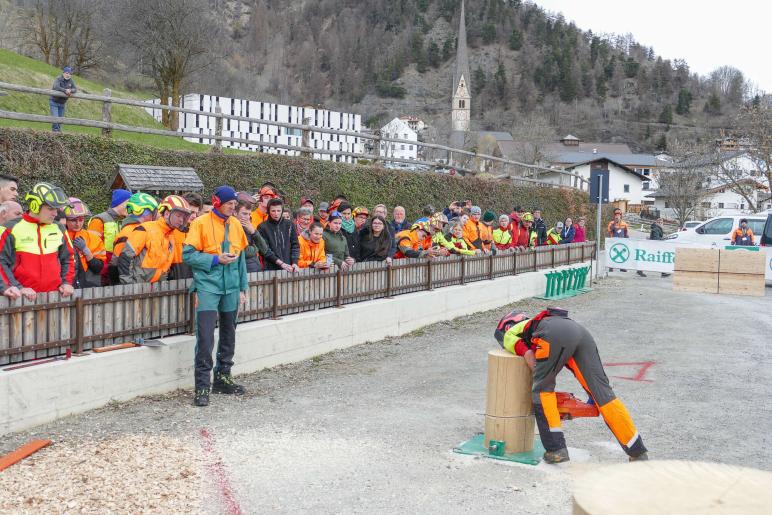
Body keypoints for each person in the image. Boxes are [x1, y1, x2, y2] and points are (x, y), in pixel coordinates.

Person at [495, 308, 648, 464]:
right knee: (603, 395)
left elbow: (529, 357)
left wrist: (541, 377)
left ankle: (556, 449)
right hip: (581, 333)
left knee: (542, 391)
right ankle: (637, 451)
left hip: (553, 333)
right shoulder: (546, 321)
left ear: (507, 326)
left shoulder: (513, 332)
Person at [183, 186, 248, 407]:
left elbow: (241, 260)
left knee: (229, 334)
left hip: (231, 288)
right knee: (205, 338)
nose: (233, 207)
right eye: (230, 203)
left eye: (234, 204)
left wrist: (242, 288)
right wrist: (215, 259)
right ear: (218, 202)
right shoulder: (200, 223)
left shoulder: (236, 224)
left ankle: (222, 378)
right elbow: (188, 255)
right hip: (208, 287)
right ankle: (202, 386)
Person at [0, 182, 75, 300]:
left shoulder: (59, 228)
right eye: (50, 208)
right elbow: (1, 261)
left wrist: (67, 282)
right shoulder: (9, 228)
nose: (55, 213)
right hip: (19, 299)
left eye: (56, 209)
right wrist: (16, 287)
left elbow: (69, 258)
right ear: (35, 206)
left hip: (55, 298)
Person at [118, 195, 192, 284]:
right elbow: (125, 256)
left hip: (156, 288)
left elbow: (164, 269)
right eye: (179, 215)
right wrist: (129, 284)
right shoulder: (145, 229)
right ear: (167, 214)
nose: (181, 220)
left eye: (183, 217)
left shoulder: (170, 237)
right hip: (137, 287)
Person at [109, 193, 158, 285]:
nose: (154, 216)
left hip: (140, 283)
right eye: (153, 212)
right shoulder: (129, 231)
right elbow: (119, 261)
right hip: (131, 285)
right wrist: (128, 285)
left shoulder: (140, 228)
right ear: (144, 212)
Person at [89, 188, 131, 285]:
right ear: (120, 203)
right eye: (128, 203)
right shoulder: (98, 220)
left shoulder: (125, 220)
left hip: (117, 269)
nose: (131, 207)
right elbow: (92, 248)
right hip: (102, 272)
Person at [64, 198, 106, 288]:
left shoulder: (93, 238)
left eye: (81, 220)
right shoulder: (59, 237)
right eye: (73, 220)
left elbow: (98, 268)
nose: (78, 224)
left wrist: (86, 251)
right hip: (66, 285)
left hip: (88, 285)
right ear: (65, 219)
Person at [258, 198, 300, 272]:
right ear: (268, 211)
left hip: (289, 267)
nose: (276, 213)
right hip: (270, 269)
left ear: (282, 211)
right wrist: (280, 263)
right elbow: (265, 250)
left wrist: (295, 262)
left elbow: (295, 245)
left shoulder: (290, 225)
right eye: (273, 211)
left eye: (278, 211)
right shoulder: (262, 227)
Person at [168, 192, 203, 281]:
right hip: (172, 282)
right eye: (191, 212)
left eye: (196, 213)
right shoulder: (170, 231)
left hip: (193, 281)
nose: (194, 216)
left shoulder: (198, 232)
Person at [236, 200, 271, 273]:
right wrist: (256, 248)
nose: (247, 217)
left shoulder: (249, 227)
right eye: (244, 214)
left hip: (255, 269)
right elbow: (242, 252)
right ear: (235, 213)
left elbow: (264, 249)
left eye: (249, 214)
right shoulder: (231, 227)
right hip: (241, 271)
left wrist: (254, 232)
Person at [50, 66, 77, 132]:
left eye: (70, 74)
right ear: (63, 73)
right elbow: (56, 87)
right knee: (55, 119)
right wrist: (65, 90)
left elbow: (75, 89)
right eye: (67, 73)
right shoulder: (58, 78)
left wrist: (70, 90)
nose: (68, 75)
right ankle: (55, 132)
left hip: (62, 103)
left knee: (60, 120)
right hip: (54, 102)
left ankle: (58, 132)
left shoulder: (71, 81)